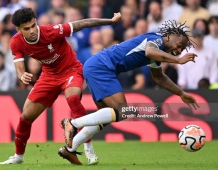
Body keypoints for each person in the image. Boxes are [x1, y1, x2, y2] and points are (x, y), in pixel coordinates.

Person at [59, 21, 200, 165]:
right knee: (123, 111)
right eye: (179, 44)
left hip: (97, 66)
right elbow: (150, 51)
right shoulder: (156, 39)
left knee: (106, 117)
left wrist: (181, 93)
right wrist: (178, 60)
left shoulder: (156, 53)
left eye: (181, 49)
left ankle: (70, 149)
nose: (179, 50)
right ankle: (72, 123)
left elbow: (158, 77)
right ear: (169, 37)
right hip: (102, 67)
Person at [0, 8, 121, 165]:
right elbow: (19, 66)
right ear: (18, 30)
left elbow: (82, 24)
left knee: (73, 99)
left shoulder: (50, 31)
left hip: (71, 70)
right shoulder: (16, 41)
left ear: (36, 21)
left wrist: (109, 21)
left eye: (33, 25)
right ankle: (18, 156)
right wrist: (22, 75)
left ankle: (88, 147)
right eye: (26, 29)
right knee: (26, 116)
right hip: (48, 75)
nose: (32, 31)